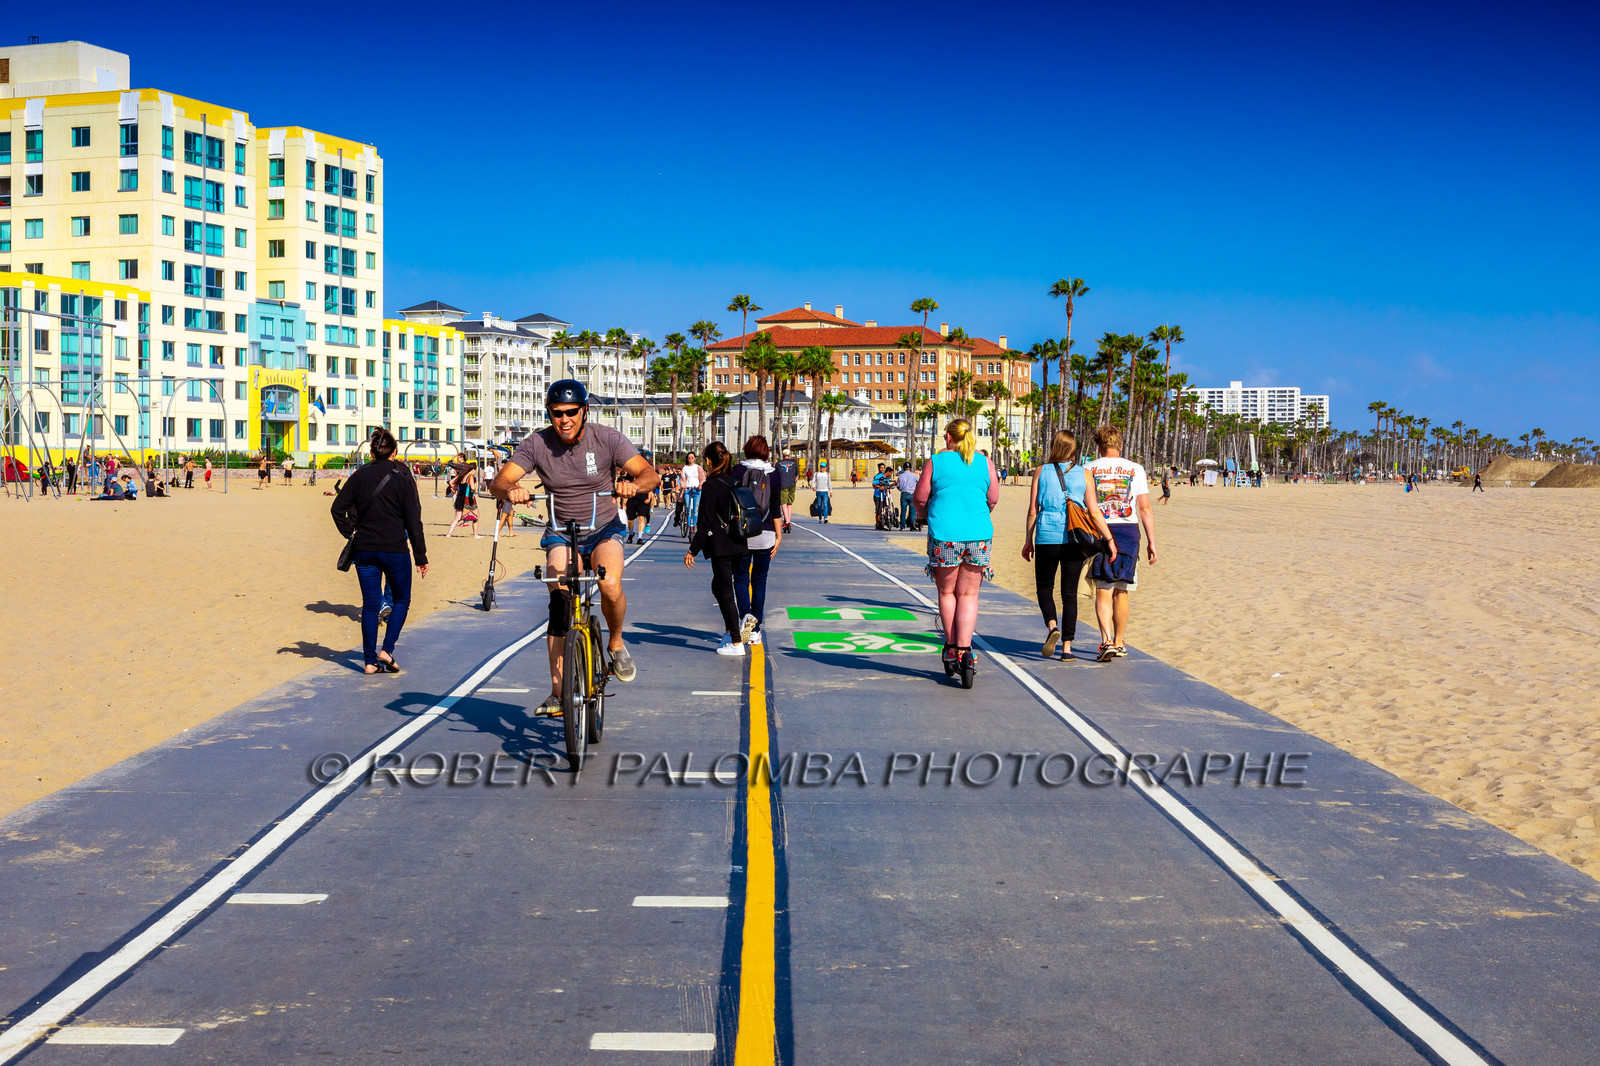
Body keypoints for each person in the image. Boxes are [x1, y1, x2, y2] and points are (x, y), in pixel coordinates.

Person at [490, 379, 658, 711]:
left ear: (584, 411)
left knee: (609, 583)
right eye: (556, 413)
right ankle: (557, 692)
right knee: (559, 600)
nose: (564, 420)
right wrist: (511, 490)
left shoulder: (607, 438)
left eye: (571, 412)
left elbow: (650, 474)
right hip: (561, 532)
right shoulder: (537, 444)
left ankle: (616, 642)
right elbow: (499, 480)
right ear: (549, 414)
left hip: (603, 529)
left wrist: (633, 485)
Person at [331, 428, 428, 675]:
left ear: (372, 452)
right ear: (394, 452)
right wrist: (421, 556)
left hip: (364, 549)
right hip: (395, 549)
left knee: (371, 605)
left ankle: (370, 662)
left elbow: (337, 508)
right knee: (401, 600)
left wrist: (351, 533)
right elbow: (413, 520)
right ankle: (387, 649)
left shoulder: (359, 475)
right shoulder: (403, 477)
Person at [913, 418, 999, 680]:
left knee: (947, 592)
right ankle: (965, 649)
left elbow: (919, 497)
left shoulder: (936, 461)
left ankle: (951, 649)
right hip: (978, 536)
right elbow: (993, 498)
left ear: (948, 438)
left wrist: (922, 514)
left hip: (944, 535)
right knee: (970, 595)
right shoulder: (985, 462)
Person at [1022, 430, 1115, 661]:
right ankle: (1067, 649)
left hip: (1046, 537)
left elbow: (1033, 510)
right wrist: (1109, 539)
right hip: (1075, 539)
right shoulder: (1084, 474)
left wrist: (1028, 540)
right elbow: (1093, 512)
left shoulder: (1041, 472)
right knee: (1069, 594)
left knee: (1044, 587)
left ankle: (1052, 626)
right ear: (1074, 449)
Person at [1085, 425, 1158, 662]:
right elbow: (1144, 508)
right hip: (1128, 530)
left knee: (1103, 588)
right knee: (1122, 589)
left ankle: (1105, 641)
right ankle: (1118, 641)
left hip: (1099, 528)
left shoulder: (1089, 468)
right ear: (1120, 444)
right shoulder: (1135, 469)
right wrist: (1151, 542)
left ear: (1099, 445)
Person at [685, 441, 753, 657]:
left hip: (722, 546)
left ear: (707, 461)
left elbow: (704, 522)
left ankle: (736, 641)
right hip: (740, 542)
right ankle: (732, 628)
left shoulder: (712, 486)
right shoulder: (734, 480)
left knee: (724, 591)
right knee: (719, 586)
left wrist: (693, 550)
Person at [734, 436, 783, 646]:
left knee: (741, 578)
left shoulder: (737, 471)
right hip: (766, 533)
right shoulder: (774, 475)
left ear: (747, 450)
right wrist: (779, 535)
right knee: (760, 580)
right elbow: (775, 506)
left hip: (741, 533)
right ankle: (755, 630)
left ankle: (745, 615)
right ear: (766, 453)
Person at [445, 463, 480, 538]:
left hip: (460, 497)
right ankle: (475, 535)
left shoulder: (461, 475)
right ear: (473, 470)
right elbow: (473, 488)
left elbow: (451, 482)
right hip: (468, 498)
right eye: (475, 470)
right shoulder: (470, 477)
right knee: (476, 517)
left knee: (457, 517)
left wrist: (455, 489)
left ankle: (449, 534)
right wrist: (474, 489)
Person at [623, 467, 652, 544]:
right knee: (630, 519)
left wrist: (649, 498)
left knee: (641, 518)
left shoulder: (645, 475)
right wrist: (624, 499)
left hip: (643, 499)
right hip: (632, 499)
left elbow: (650, 487)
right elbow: (625, 485)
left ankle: (640, 537)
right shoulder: (630, 475)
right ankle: (631, 533)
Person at [679, 454, 704, 530]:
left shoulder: (698, 467)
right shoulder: (685, 468)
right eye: (689, 457)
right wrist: (683, 485)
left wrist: (700, 484)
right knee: (688, 508)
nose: (690, 459)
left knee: (696, 508)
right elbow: (682, 479)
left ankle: (694, 526)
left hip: (696, 490)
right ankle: (689, 525)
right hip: (688, 490)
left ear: (695, 458)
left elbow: (702, 478)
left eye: (692, 457)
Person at [776, 454, 799, 532]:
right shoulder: (794, 463)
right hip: (792, 485)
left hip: (783, 485)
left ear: (783, 455)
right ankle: (789, 520)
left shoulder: (778, 464)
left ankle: (787, 521)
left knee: (783, 503)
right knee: (790, 503)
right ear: (789, 455)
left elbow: (776, 475)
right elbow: (797, 477)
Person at [896, 463, 919, 530]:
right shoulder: (914, 476)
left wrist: (901, 490)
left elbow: (898, 485)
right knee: (912, 511)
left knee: (903, 511)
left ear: (903, 468)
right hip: (912, 494)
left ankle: (902, 526)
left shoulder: (901, 476)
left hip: (904, 494)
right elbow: (919, 482)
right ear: (910, 468)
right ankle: (912, 526)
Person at [872, 462, 894, 528]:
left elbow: (887, 485)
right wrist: (879, 487)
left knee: (884, 509)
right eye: (881, 468)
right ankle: (878, 523)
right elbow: (873, 485)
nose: (882, 469)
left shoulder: (887, 477)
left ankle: (883, 521)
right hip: (878, 495)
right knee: (878, 510)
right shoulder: (878, 476)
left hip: (884, 495)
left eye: (883, 468)